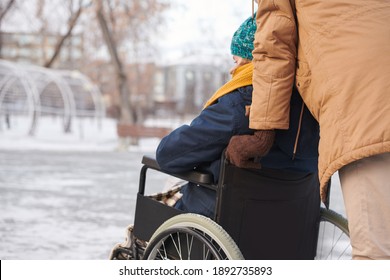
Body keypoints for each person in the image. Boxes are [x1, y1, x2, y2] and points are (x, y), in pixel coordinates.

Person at [226, 0, 390, 259]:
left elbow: (273, 47)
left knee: (377, 253)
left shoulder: (230, 104)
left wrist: (262, 133)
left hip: (364, 99)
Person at [156, 15, 319, 218]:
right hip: (291, 222)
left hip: (226, 215)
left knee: (157, 208)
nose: (233, 69)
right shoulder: (313, 107)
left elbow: (168, 155)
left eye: (236, 60)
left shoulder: (240, 103)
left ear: (254, 58)